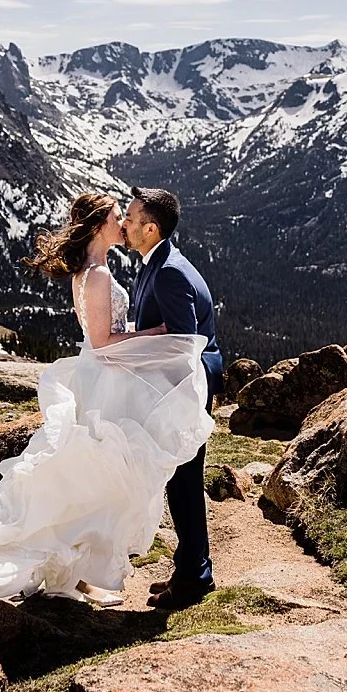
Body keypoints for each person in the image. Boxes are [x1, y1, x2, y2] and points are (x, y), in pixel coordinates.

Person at [0, 192, 214, 607]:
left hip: (114, 379)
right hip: (110, 377)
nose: (124, 224)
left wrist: (152, 335)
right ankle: (148, 570)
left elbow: (170, 338)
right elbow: (105, 340)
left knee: (106, 476)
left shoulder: (107, 270)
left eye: (129, 217)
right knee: (101, 478)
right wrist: (155, 334)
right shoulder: (98, 273)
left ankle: (177, 571)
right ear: (101, 225)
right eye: (120, 217)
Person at [122, 185, 223, 609]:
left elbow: (185, 344)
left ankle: (196, 578)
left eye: (130, 219)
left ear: (150, 227)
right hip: (176, 387)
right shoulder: (156, 262)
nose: (123, 224)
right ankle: (188, 568)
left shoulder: (168, 272)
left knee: (183, 482)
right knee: (179, 481)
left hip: (185, 388)